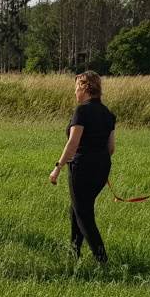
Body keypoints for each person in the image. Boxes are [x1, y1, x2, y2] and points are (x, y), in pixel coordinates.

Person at [48, 71, 116, 263]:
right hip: (102, 168)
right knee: (77, 209)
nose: (75, 92)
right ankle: (74, 253)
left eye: (76, 88)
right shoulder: (108, 113)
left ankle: (102, 260)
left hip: (82, 168)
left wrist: (57, 168)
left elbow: (73, 143)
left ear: (85, 88)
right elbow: (111, 148)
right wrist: (98, 162)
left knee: (83, 214)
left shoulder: (82, 111)